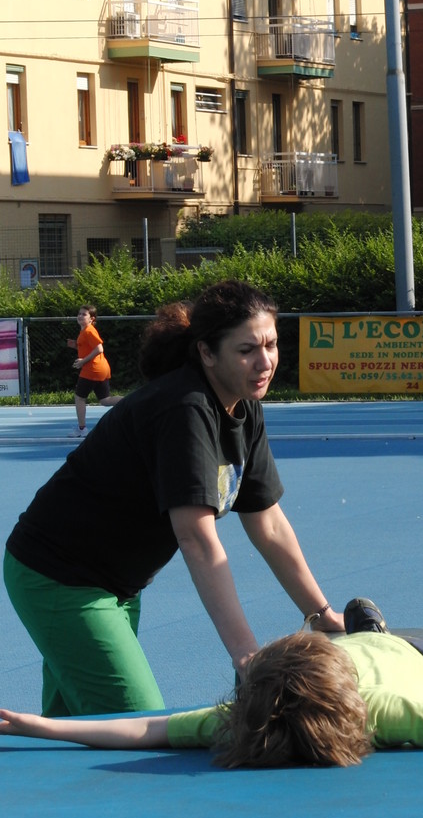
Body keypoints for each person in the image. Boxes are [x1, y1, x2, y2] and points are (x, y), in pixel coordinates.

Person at [4, 281, 344, 718]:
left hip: (116, 585)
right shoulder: (184, 410)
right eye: (247, 350)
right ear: (206, 353)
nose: (265, 362)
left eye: (272, 344)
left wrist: (320, 615)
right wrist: (245, 655)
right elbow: (198, 541)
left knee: (74, 735)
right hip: (60, 578)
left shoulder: (243, 404)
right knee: (135, 723)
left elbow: (269, 522)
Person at [0, 595, 423, 766]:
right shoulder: (359, 708)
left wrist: (42, 724)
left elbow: (146, 731)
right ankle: (364, 629)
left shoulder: (248, 717)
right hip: (399, 660)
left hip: (420, 663)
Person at [66, 304, 122, 437]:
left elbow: (99, 349)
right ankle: (132, 401)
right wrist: (76, 345)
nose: (80, 316)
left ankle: (81, 429)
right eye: (79, 313)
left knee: (79, 398)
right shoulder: (84, 331)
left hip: (92, 370)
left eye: (84, 314)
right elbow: (89, 348)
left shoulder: (89, 331)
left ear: (92, 319)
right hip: (100, 368)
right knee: (105, 400)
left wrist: (83, 361)